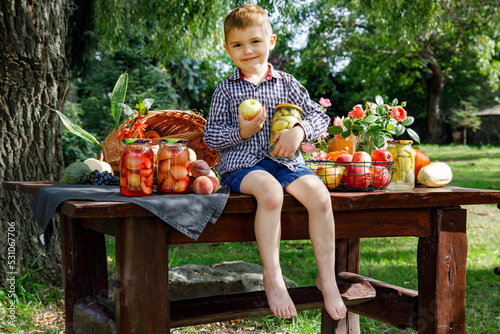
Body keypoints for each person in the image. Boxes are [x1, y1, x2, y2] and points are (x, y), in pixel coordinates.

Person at [204, 4, 347, 321]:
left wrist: (299, 131)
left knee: (320, 197)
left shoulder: (287, 83)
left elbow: (318, 117)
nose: (248, 50)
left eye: (255, 41)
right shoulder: (226, 90)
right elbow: (211, 137)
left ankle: (327, 277)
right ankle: (273, 275)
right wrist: (241, 131)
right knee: (270, 193)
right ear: (227, 49)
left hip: (287, 163)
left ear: (271, 41)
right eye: (238, 45)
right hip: (242, 166)